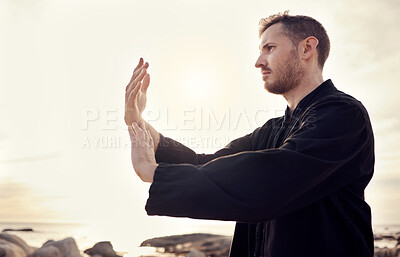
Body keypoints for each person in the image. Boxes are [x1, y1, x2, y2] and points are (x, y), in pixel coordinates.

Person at [124, 12, 375, 257]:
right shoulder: (272, 129)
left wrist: (154, 172)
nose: (258, 61)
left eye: (270, 48)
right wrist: (139, 122)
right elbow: (206, 164)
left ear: (307, 48)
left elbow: (272, 179)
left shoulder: (344, 115)